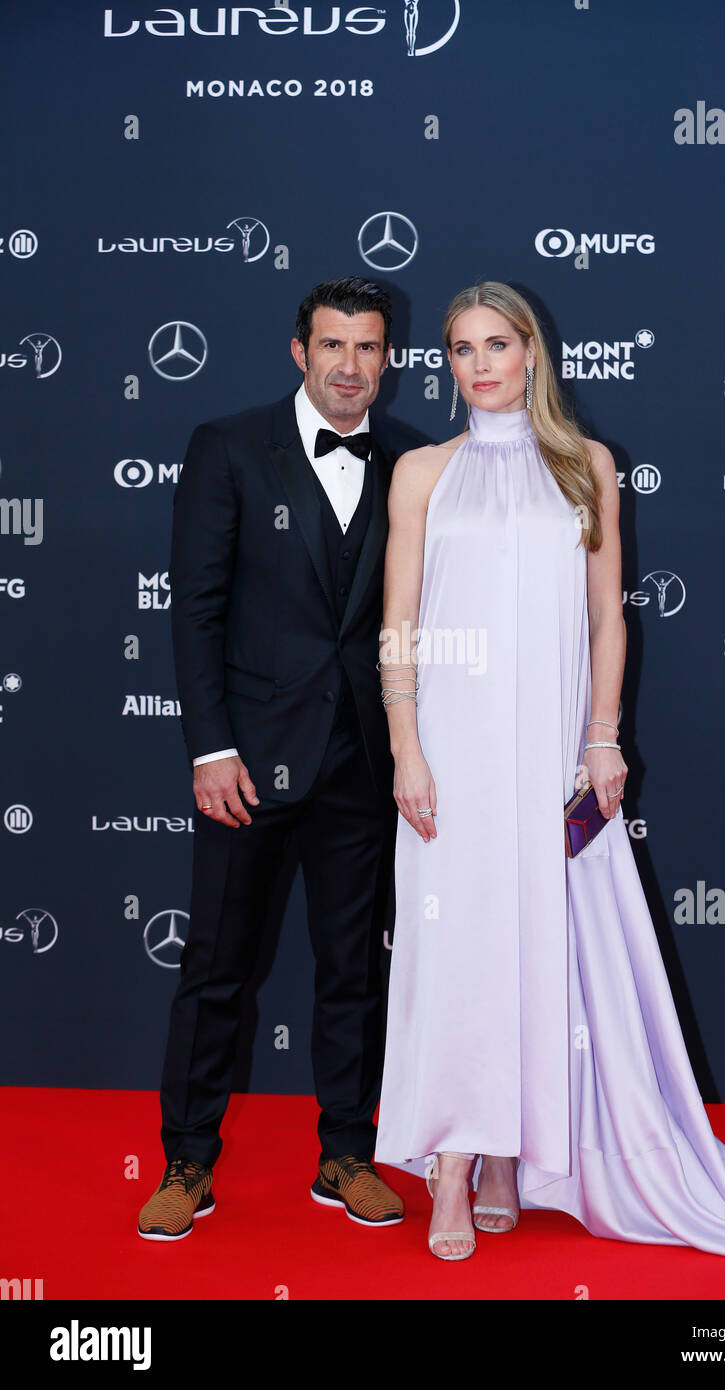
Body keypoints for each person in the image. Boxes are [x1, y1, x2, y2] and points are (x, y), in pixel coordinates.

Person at [373, 281, 725, 1263]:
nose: (480, 364)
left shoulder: (584, 466)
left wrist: (601, 737)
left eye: (497, 345)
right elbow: (400, 622)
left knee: (540, 948)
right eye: (462, 348)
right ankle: (452, 1167)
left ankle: (515, 1154)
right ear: (447, 362)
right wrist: (405, 746)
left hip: (553, 748)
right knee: (458, 956)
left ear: (531, 355)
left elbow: (607, 616)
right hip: (454, 751)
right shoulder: (422, 472)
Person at [138, 277, 404, 1240]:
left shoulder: (412, 459)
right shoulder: (228, 446)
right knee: (215, 967)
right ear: (300, 352)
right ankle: (187, 1162)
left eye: (367, 348)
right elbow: (195, 609)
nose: (348, 366)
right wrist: (209, 746)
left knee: (354, 973)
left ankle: (345, 1154)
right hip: (245, 760)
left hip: (362, 763)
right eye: (331, 345)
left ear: (388, 358)